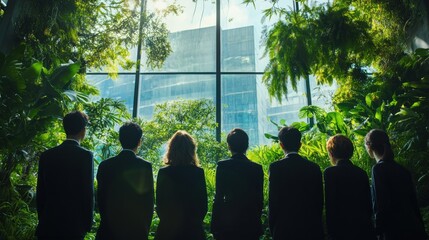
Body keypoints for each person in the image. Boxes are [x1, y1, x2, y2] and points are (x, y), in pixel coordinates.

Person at [36, 111, 94, 240]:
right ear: (83, 130)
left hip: (48, 224)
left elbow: (40, 192)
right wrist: (87, 224)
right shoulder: (85, 156)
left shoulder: (47, 155)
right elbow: (87, 193)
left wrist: (43, 218)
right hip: (73, 226)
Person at [365, 129, 428, 240]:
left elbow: (380, 204)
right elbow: (413, 203)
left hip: (394, 230)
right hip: (413, 227)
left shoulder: (378, 169)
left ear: (369, 146)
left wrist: (378, 231)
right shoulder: (402, 170)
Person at [96, 122, 154, 240]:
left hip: (107, 232)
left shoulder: (105, 165)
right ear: (139, 142)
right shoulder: (145, 166)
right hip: (135, 232)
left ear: (120, 139)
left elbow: (100, 199)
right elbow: (148, 204)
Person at [268, 126, 324, 240]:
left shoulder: (275, 168)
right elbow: (319, 201)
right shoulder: (313, 168)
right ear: (300, 145)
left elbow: (273, 201)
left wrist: (273, 228)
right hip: (310, 228)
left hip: (284, 229)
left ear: (281, 145)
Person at [211, 128, 264, 240]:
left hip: (227, 226)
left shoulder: (223, 166)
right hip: (250, 225)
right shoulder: (256, 168)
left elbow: (219, 198)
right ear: (247, 145)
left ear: (229, 146)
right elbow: (259, 200)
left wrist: (215, 226)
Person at [155, 130, 207, 240]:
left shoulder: (164, 172)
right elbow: (203, 205)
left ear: (171, 149)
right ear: (192, 149)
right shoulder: (198, 172)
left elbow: (159, 204)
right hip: (193, 231)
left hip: (168, 230)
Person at [324, 134, 376, 240]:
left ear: (331, 153)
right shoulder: (361, 173)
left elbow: (331, 205)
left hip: (341, 230)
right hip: (362, 228)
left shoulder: (330, 173)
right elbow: (368, 204)